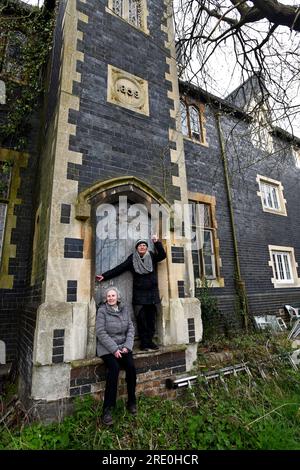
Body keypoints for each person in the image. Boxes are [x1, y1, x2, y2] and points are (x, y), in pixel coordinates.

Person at [96, 235, 166, 351]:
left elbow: (163, 255)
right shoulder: (132, 259)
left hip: (152, 294)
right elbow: (120, 268)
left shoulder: (152, 257)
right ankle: (144, 343)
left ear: (147, 248)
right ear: (137, 248)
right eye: (140, 245)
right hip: (139, 294)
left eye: (144, 245)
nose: (142, 247)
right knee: (141, 320)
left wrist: (157, 242)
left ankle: (150, 341)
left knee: (151, 319)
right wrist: (104, 276)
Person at [96, 287, 137, 426]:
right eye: (108, 296)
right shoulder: (102, 311)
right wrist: (114, 349)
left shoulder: (124, 310)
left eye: (113, 295)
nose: (111, 298)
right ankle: (107, 410)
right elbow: (100, 332)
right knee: (114, 368)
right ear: (106, 298)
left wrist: (127, 346)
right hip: (107, 348)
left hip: (123, 346)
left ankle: (131, 402)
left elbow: (131, 329)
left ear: (117, 297)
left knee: (131, 367)